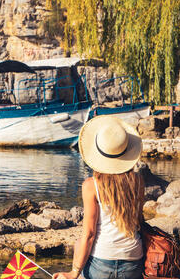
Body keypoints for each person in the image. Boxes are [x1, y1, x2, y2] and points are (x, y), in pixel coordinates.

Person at [53, 116, 144, 279]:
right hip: (134, 262)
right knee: (79, 244)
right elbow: (138, 221)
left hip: (102, 263)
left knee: (80, 244)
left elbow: (89, 234)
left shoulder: (91, 185)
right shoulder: (137, 182)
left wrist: (74, 272)